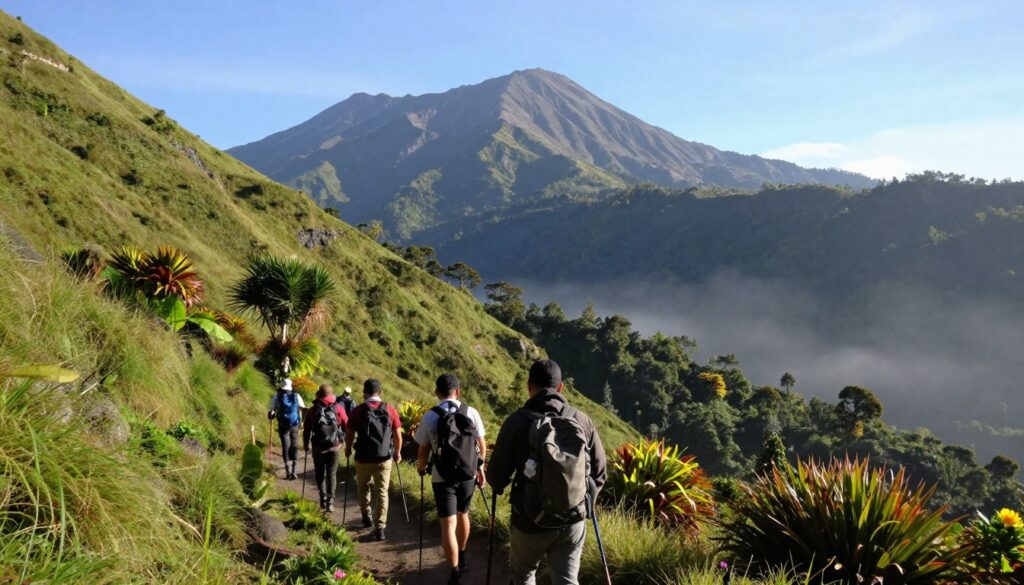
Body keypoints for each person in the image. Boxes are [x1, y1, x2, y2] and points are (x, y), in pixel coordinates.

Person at [487, 359, 607, 585]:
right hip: (572, 519)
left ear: (529, 387)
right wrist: (581, 501)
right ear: (560, 387)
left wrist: (501, 486)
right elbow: (599, 473)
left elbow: (495, 476)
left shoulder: (516, 422)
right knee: (567, 580)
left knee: (523, 575)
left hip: (529, 520)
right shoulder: (582, 420)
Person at [416, 374, 487, 585]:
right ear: (458, 391)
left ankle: (454, 571)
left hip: (442, 475)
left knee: (448, 523)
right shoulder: (471, 412)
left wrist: (421, 467)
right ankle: (462, 554)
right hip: (467, 473)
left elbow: (423, 450)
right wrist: (479, 468)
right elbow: (481, 446)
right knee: (463, 514)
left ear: (437, 392)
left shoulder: (430, 416)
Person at [345, 378, 402, 540]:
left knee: (363, 487)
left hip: (362, 457)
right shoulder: (390, 410)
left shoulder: (357, 411)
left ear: (364, 393)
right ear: (380, 392)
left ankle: (366, 516)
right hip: (384, 458)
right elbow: (398, 435)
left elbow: (349, 434)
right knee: (382, 492)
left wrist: (348, 449)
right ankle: (380, 528)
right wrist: (397, 453)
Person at [303, 384, 348, 512]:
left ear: (319, 394)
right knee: (331, 473)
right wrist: (346, 443)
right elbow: (347, 425)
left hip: (317, 447)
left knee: (319, 472)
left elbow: (306, 430)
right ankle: (330, 501)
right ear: (331, 395)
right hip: (335, 447)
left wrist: (306, 444)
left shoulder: (313, 410)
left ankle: (322, 497)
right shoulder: (338, 408)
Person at [268, 378, 306, 480]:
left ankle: (287, 471)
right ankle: (294, 470)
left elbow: (272, 410)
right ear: (290, 386)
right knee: (294, 445)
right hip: (294, 424)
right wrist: (302, 422)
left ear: (281, 386)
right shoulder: (297, 396)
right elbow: (302, 409)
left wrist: (271, 415)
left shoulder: (277, 396)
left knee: (285, 445)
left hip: (282, 424)